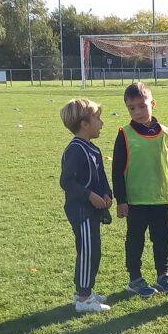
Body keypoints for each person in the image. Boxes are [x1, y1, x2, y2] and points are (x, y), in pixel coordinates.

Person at [111, 82, 168, 298]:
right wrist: (121, 200)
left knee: (162, 240)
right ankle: (135, 279)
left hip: (160, 199)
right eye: (131, 108)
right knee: (135, 241)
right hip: (135, 201)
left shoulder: (167, 134)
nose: (137, 112)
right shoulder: (125, 134)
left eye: (142, 106)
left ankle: (164, 275)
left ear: (153, 104)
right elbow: (117, 170)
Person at [59, 98, 113, 313]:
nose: (101, 123)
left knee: (93, 249)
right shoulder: (75, 149)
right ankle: (83, 298)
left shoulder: (93, 149)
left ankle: (84, 291)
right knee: (88, 251)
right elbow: (67, 181)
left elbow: (101, 177)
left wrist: (107, 194)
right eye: (97, 118)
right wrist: (90, 196)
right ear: (84, 124)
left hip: (92, 208)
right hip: (81, 210)